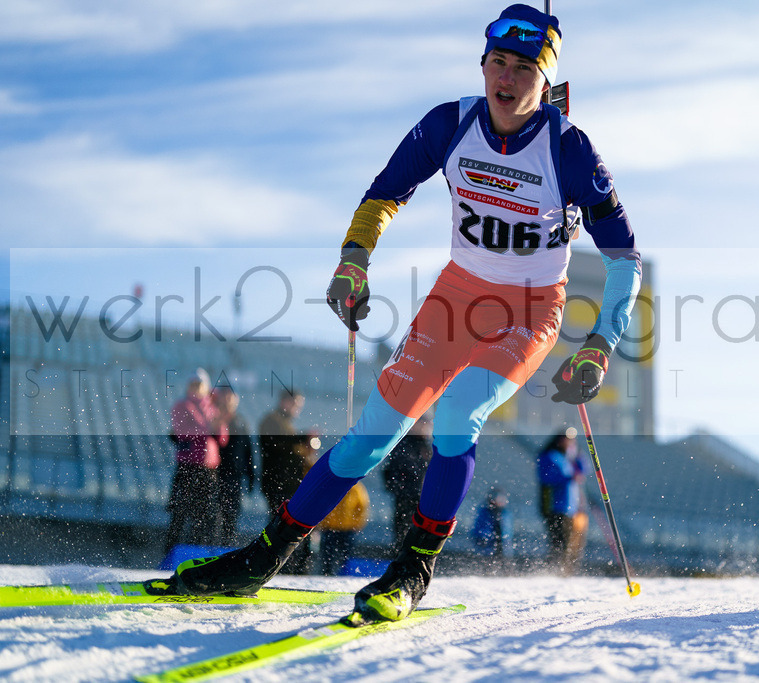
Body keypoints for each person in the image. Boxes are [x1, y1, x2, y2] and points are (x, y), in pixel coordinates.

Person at [169, 4, 641, 621]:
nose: (507, 77)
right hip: (456, 297)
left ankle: (415, 566)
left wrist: (599, 345)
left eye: (524, 67)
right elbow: (384, 193)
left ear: (544, 81)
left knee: (456, 414)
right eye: (498, 61)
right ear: (482, 65)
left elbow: (624, 258)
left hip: (528, 310)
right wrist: (353, 262)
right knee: (368, 441)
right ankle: (261, 557)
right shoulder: (451, 123)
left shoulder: (570, 150)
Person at [165, 368, 228, 553]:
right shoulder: (182, 405)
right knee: (180, 513)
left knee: (204, 515)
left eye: (199, 384)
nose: (196, 388)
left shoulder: (212, 407)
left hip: (208, 468)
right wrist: (211, 426)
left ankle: (197, 553)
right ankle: (171, 553)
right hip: (188, 466)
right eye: (193, 384)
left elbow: (223, 438)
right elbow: (182, 431)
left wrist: (216, 423)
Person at [258, 389, 319, 573]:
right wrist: (303, 439)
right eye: (295, 404)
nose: (297, 409)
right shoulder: (271, 420)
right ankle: (279, 567)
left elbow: (291, 451)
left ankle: (293, 568)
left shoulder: (286, 424)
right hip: (278, 485)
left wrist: (305, 450)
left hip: (289, 485)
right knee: (283, 529)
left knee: (292, 529)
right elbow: (278, 446)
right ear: (285, 401)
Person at [211, 387, 256, 546]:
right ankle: (207, 549)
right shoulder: (214, 418)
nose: (229, 402)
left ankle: (226, 549)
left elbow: (248, 450)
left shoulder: (241, 421)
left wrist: (251, 476)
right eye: (226, 397)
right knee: (212, 516)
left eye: (232, 398)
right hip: (215, 474)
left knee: (231, 517)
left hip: (235, 477)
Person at [537, 431, 585, 574]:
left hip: (570, 508)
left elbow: (584, 470)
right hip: (554, 506)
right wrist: (568, 478)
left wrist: (578, 453)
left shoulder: (568, 458)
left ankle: (565, 571)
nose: (570, 442)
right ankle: (555, 570)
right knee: (559, 542)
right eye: (567, 439)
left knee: (570, 543)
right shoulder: (549, 455)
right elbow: (546, 478)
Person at [381, 413, 433, 548]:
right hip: (407, 497)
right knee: (404, 534)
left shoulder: (425, 446)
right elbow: (401, 468)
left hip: (420, 497)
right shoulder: (405, 443)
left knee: (419, 535)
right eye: (423, 424)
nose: (426, 429)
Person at [318, 481, 370, 576]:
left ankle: (343, 573)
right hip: (330, 528)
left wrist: (357, 524)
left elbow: (362, 507)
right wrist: (323, 523)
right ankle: (327, 573)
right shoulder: (332, 486)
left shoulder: (356, 488)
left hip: (347, 529)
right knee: (327, 554)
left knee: (345, 554)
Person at [471, 486, 512, 562]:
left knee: (503, 561)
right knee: (487, 561)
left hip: (502, 545)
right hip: (486, 545)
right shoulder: (484, 512)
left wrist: (505, 540)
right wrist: (485, 540)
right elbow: (479, 530)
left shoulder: (504, 513)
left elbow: (507, 530)